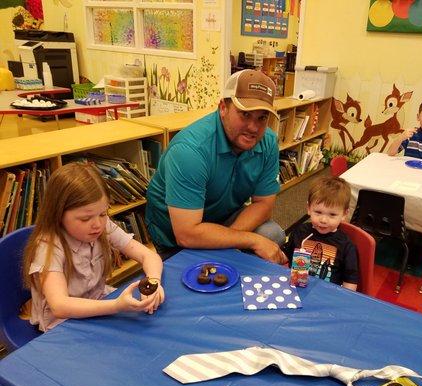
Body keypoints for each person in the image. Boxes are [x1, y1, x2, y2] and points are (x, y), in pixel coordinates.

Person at [145, 70, 287, 264]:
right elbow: (186, 234)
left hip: (222, 218)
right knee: (192, 283)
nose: (254, 128)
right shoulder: (189, 151)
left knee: (272, 234)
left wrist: (227, 239)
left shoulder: (268, 142)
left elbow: (264, 204)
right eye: (245, 114)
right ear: (223, 108)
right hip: (175, 235)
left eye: (262, 118)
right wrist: (250, 241)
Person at [23, 163, 165, 332]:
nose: (98, 224)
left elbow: (148, 256)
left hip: (100, 302)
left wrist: (153, 281)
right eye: (85, 219)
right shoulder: (49, 248)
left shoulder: (103, 226)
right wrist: (116, 306)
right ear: (58, 215)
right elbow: (60, 306)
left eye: (103, 214)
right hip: (64, 322)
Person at [281, 176, 358, 291]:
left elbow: (350, 281)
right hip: (295, 289)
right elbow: (284, 256)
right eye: (318, 212)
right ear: (308, 208)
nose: (323, 220)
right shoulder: (300, 232)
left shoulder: (346, 245)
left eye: (332, 215)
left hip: (326, 296)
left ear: (344, 214)